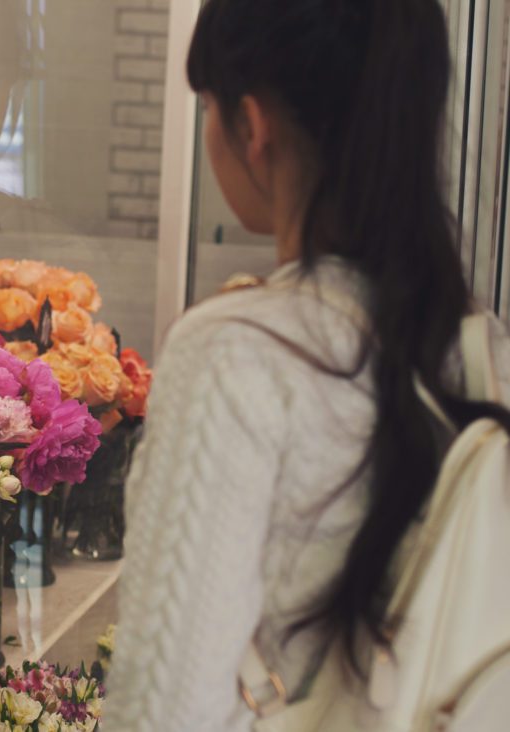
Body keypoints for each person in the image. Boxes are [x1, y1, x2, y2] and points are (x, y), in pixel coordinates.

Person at [104, 1, 510, 730]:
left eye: (207, 107)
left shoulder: (233, 357)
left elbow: (163, 711)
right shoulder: (480, 349)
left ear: (252, 127)